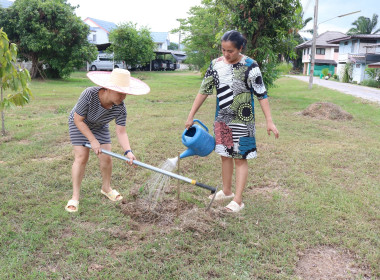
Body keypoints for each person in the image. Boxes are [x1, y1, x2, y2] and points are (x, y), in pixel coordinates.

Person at [185, 30, 279, 213]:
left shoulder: (251, 65)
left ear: (240, 48)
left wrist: (270, 121)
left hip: (243, 121)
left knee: (240, 158)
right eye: (223, 50)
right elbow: (204, 90)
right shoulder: (215, 65)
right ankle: (227, 192)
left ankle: (238, 200)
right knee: (225, 156)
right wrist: (191, 114)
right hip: (222, 119)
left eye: (230, 51)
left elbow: (262, 94)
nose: (226, 55)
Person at [65, 68, 150, 212]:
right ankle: (75, 196)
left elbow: (121, 132)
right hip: (79, 123)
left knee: (106, 157)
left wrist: (128, 152)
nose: (123, 97)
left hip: (99, 126)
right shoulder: (89, 94)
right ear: (108, 89)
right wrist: (92, 140)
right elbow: (78, 120)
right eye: (120, 92)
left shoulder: (120, 108)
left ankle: (106, 188)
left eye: (125, 93)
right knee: (81, 157)